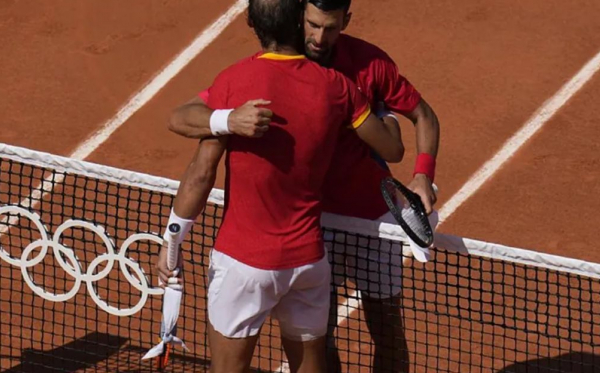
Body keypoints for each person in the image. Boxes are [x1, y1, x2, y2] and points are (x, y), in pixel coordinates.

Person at [168, 1, 442, 372]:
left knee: (386, 328)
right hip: (316, 227)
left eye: (330, 28)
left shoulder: (368, 65)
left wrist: (423, 173)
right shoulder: (302, 75)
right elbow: (185, 115)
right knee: (321, 336)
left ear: (346, 20)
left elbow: (419, 119)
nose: (319, 37)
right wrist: (230, 119)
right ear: (299, 18)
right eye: (312, 25)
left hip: (370, 223)